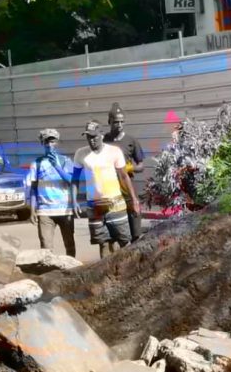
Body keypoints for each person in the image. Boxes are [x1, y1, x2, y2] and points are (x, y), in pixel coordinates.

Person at [73, 120, 141, 259]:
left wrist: (134, 199)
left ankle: (125, 271)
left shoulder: (114, 151)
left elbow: (124, 176)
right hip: (94, 205)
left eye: (94, 137)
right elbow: (74, 179)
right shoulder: (81, 154)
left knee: (123, 241)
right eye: (88, 137)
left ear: (102, 135)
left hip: (115, 202)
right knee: (102, 242)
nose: (92, 140)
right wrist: (74, 200)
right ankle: (105, 276)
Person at [27, 128, 76, 257]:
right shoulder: (37, 164)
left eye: (53, 142)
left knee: (69, 244)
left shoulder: (66, 161)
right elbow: (33, 188)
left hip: (65, 210)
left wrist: (57, 166)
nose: (50, 145)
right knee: (46, 248)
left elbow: (71, 181)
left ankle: (73, 271)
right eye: (47, 142)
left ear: (57, 143)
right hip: (45, 211)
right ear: (43, 144)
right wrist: (32, 210)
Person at [104, 102, 145, 242]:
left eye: (122, 122)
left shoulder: (131, 141)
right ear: (109, 122)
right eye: (116, 122)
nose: (119, 124)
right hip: (108, 187)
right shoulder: (103, 141)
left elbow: (141, 165)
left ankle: (136, 243)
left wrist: (129, 168)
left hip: (127, 186)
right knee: (113, 228)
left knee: (134, 215)